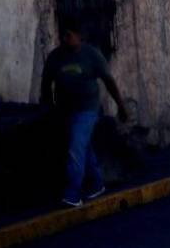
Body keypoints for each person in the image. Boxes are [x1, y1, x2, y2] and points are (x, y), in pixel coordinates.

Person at [41, 16, 129, 207]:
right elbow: (46, 85)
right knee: (83, 146)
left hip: (87, 109)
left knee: (76, 145)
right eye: (63, 36)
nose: (65, 39)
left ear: (78, 36)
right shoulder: (55, 58)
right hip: (65, 109)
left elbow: (109, 81)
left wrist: (121, 107)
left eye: (69, 36)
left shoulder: (91, 55)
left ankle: (72, 192)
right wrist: (47, 108)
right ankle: (97, 183)